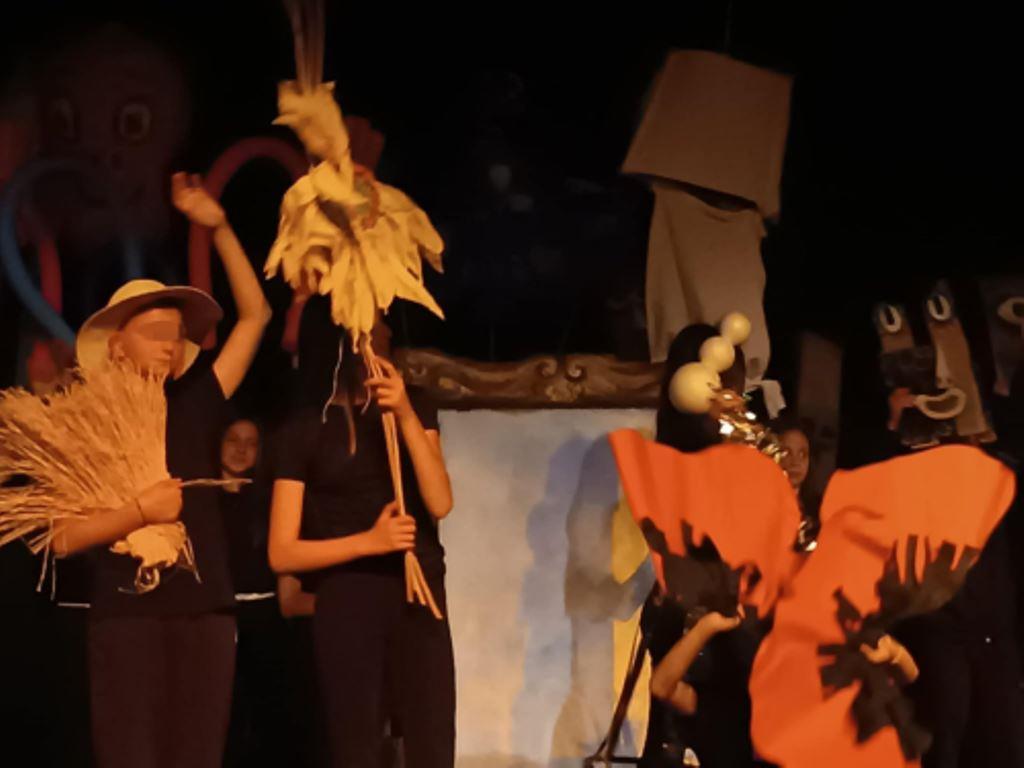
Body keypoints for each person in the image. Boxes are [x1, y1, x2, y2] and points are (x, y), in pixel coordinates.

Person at [51, 172, 271, 768]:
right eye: (154, 334)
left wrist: (219, 228)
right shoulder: (85, 417)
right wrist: (138, 513)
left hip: (205, 610)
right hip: (127, 617)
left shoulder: (197, 397)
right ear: (116, 344)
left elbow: (255, 316)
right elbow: (62, 536)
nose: (169, 347)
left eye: (176, 337)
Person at [269, 295, 455, 768]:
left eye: (383, 323)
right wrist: (369, 542)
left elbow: (440, 502)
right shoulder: (306, 428)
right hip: (349, 596)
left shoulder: (414, 407)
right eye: (371, 326)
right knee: (357, 744)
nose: (383, 334)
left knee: (432, 737)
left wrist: (406, 413)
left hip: (419, 589)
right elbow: (282, 553)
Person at [639, 323, 770, 768]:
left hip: (732, 605)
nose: (727, 395)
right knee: (684, 734)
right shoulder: (675, 460)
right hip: (695, 611)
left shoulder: (743, 444)